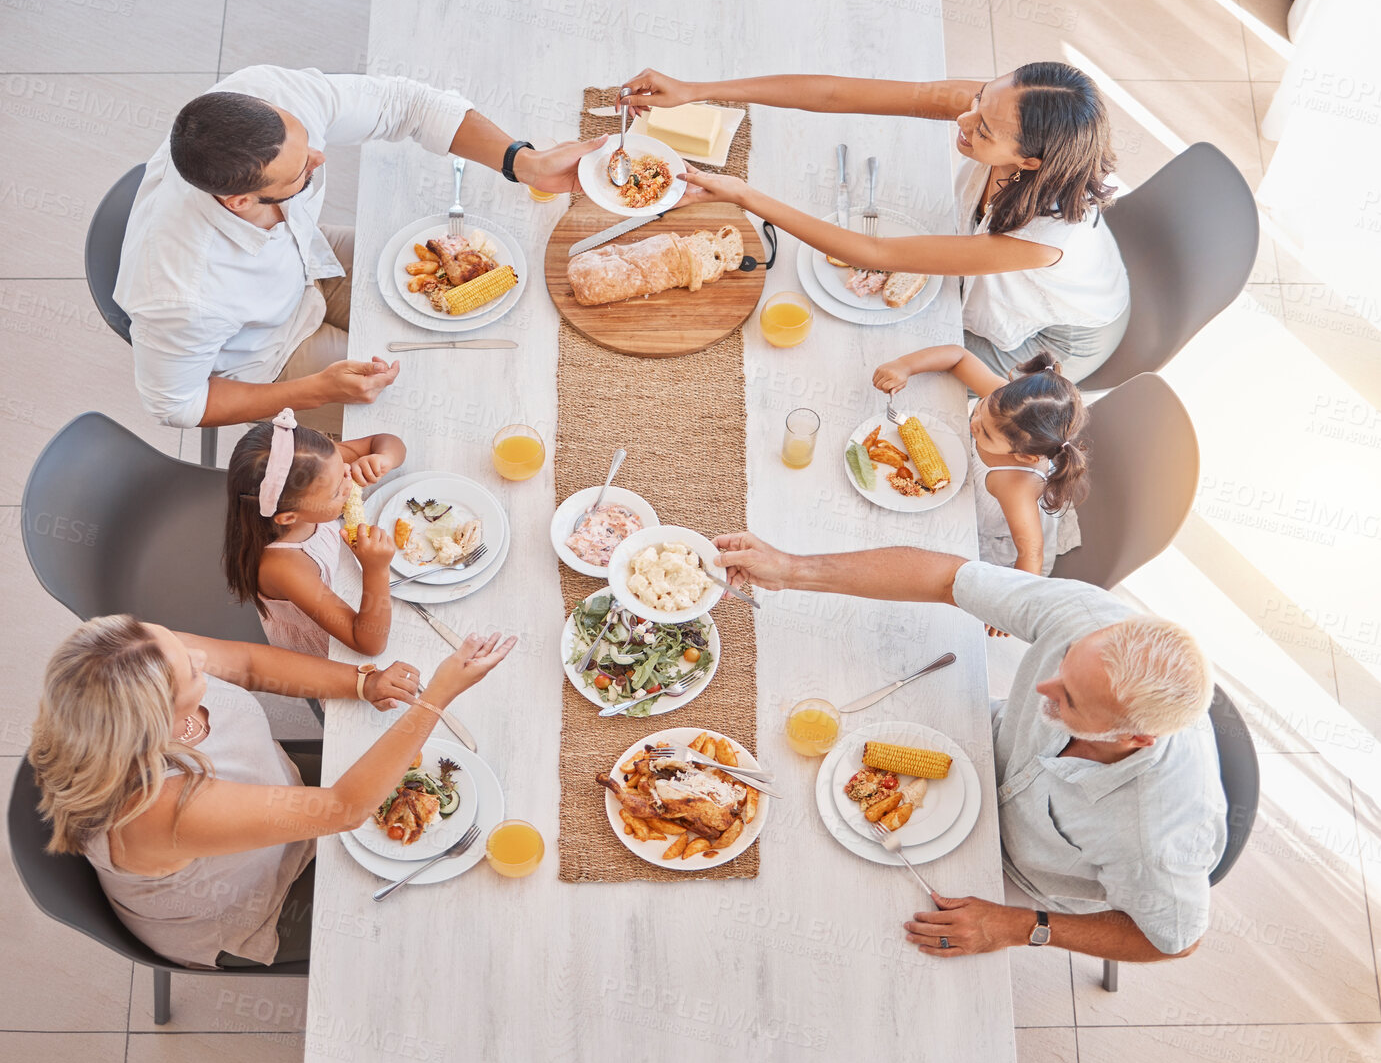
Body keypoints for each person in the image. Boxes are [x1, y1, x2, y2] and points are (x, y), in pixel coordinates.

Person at [711, 534, 1226, 964]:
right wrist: (790, 569)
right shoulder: (1091, 618)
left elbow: (1175, 941)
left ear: (1133, 739)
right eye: (1064, 661)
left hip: (1015, 875)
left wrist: (1021, 926)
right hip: (975, 750)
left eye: (1068, 699)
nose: (1042, 686)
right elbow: (947, 579)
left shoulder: (1157, 834)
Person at [116, 65, 602, 432]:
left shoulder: (269, 94)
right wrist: (313, 392)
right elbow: (175, 405)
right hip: (268, 354)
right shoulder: (179, 295)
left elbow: (410, 105)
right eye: (302, 172)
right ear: (240, 201)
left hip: (307, 257)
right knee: (427, 410)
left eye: (305, 141)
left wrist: (524, 162)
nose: (320, 159)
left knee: (475, 328)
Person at [29, 615, 516, 969]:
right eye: (193, 674)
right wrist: (436, 699)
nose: (200, 659)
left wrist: (360, 682)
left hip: (282, 795)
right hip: (256, 904)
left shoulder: (139, 659)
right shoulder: (156, 809)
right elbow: (342, 810)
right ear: (162, 723)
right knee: (450, 915)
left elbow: (243, 662)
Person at [621, 62, 1130, 380]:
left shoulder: (1043, 238)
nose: (963, 119)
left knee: (881, 354)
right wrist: (697, 90)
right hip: (1004, 272)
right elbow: (835, 95)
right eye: (978, 100)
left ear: (1030, 162)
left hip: (1052, 340)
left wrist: (742, 193)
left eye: (985, 129)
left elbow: (877, 254)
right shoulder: (1006, 110)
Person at [871, 346, 1087, 578]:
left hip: (984, 530)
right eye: (981, 408)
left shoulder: (1016, 485)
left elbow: (1032, 552)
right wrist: (905, 365)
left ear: (1024, 456)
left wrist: (1012, 595)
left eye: (985, 433)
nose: (976, 422)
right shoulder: (1003, 406)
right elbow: (959, 357)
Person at [224, 408, 406, 657]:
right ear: (289, 517)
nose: (347, 479)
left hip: (346, 583)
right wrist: (376, 570)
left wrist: (383, 458)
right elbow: (368, 643)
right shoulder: (284, 567)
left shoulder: (318, 465)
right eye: (335, 493)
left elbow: (387, 442)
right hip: (330, 647)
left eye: (343, 467)